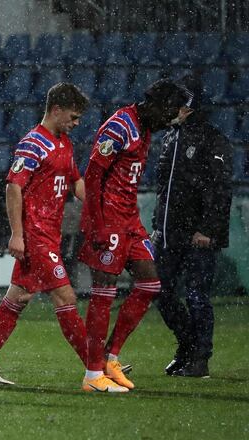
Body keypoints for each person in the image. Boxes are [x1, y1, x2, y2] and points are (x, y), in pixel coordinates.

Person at [0, 83, 91, 387]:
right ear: (56, 110)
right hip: (36, 234)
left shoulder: (64, 143)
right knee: (65, 295)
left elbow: (76, 183)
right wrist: (17, 235)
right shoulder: (33, 143)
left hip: (51, 234)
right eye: (73, 117)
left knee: (18, 297)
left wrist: (102, 207)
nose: (76, 124)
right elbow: (13, 187)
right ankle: (96, 367)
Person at [78, 79, 191, 392]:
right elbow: (93, 175)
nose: (169, 119)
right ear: (153, 104)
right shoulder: (120, 126)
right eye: (168, 111)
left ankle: (110, 357)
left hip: (129, 220)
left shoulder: (146, 128)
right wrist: (97, 224)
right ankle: (92, 376)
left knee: (150, 283)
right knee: (104, 292)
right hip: (109, 221)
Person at [152, 76, 233, 378]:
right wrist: (157, 225)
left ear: (189, 104)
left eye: (176, 101)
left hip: (198, 234)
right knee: (160, 291)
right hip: (169, 232)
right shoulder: (170, 137)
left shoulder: (213, 139)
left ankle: (200, 358)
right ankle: (187, 347)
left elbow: (220, 190)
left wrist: (208, 230)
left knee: (197, 294)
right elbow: (164, 188)